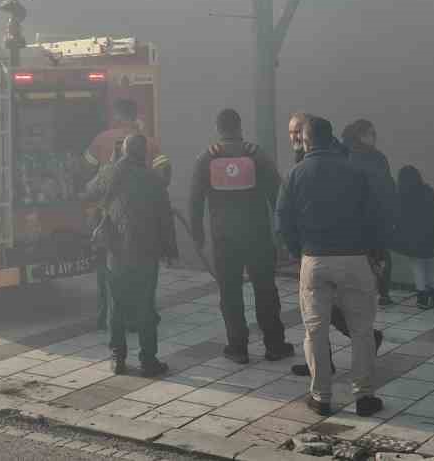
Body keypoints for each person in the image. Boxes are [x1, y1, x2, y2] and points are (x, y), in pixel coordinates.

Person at [276, 116, 384, 418]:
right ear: (331, 137)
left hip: (315, 260)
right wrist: (374, 254)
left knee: (315, 331)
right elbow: (374, 216)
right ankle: (364, 397)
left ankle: (321, 397)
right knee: (362, 331)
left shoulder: (295, 174)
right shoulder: (355, 171)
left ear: (306, 141)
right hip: (354, 258)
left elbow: (282, 221)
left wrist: (300, 252)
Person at [190, 109, 294, 365]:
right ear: (239, 126)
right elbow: (279, 196)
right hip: (257, 236)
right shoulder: (256, 155)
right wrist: (282, 233)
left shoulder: (206, 157)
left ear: (218, 127)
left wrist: (198, 234)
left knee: (230, 293)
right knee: (265, 290)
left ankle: (238, 348)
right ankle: (274, 346)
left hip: (224, 238)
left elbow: (195, 199)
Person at [83, 133, 176, 378]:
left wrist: (109, 165)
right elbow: (166, 218)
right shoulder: (153, 179)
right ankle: (148, 360)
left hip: (117, 252)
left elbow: (88, 191)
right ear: (143, 153)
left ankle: (118, 359)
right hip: (146, 252)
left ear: (123, 151)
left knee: (117, 305)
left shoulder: (111, 172)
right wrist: (170, 251)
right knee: (146, 305)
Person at [85, 99, 162, 330]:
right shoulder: (148, 142)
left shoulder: (102, 139)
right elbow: (164, 172)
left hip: (106, 216)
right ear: (135, 115)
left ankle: (105, 318)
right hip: (142, 218)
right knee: (142, 270)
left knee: (108, 269)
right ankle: (142, 316)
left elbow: (85, 166)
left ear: (117, 115)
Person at [341, 119, 396, 306]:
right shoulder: (375, 158)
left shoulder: (347, 156)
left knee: (361, 256)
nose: (374, 137)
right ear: (361, 135)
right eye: (371, 134)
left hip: (357, 218)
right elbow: (387, 187)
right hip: (375, 217)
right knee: (380, 256)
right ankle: (382, 293)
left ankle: (363, 293)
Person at [393, 165, 434, 308]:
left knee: (417, 267)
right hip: (430, 235)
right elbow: (433, 213)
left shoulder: (402, 193)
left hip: (412, 236)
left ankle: (423, 297)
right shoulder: (428, 191)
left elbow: (400, 217)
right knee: (429, 266)